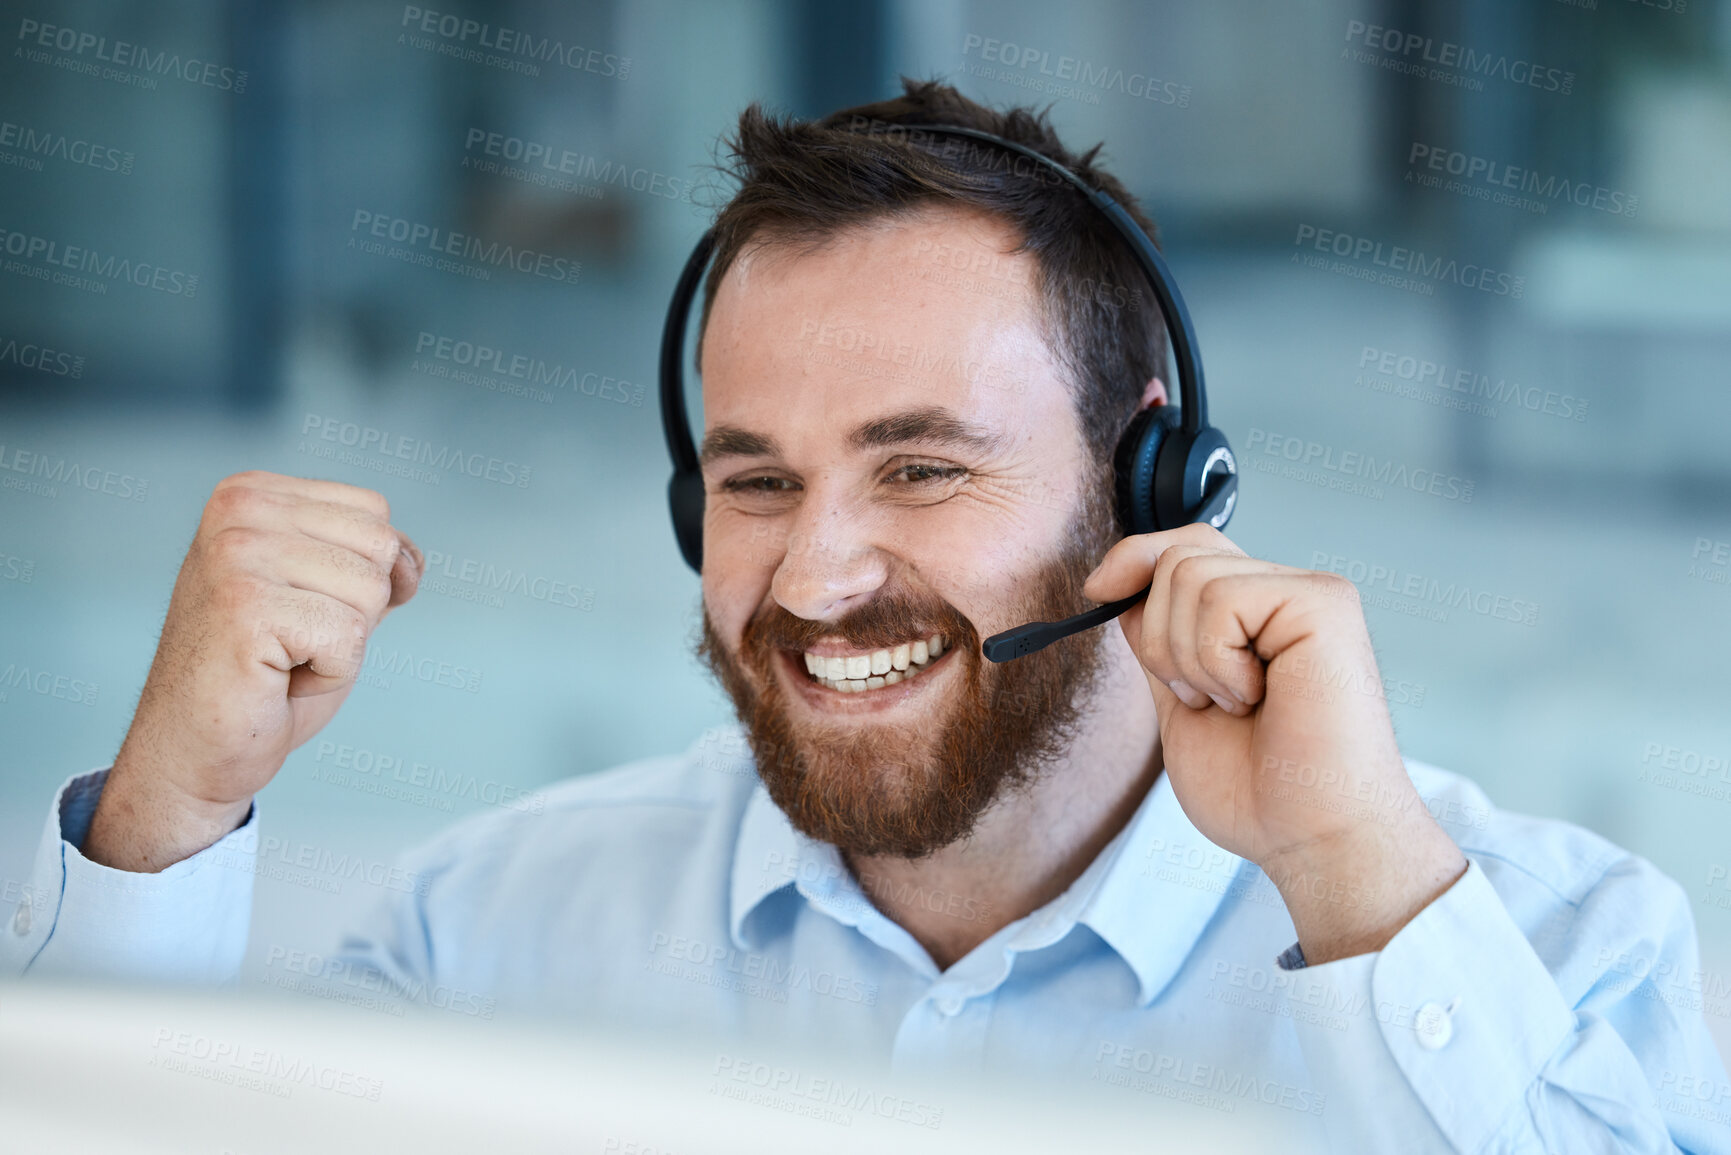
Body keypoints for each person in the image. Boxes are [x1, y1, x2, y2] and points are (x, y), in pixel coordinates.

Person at [6, 80, 1727, 1153]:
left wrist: (1358, 887)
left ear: (1152, 491)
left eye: (921, 470)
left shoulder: (1577, 957)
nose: (816, 580)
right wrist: (169, 820)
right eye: (755, 481)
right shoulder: (495, 927)